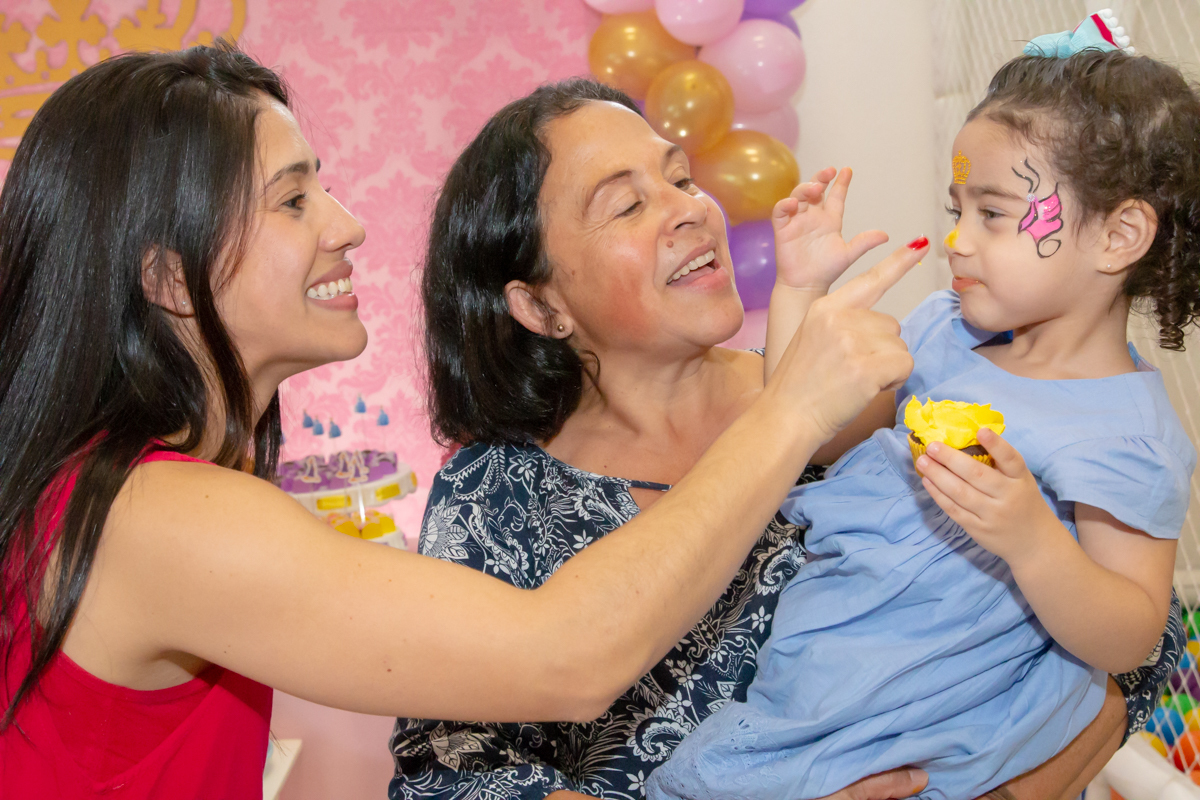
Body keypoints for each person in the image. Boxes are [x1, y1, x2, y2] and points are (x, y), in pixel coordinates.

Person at [0, 43, 932, 800]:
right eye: (293, 200)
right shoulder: (154, 517)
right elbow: (566, 659)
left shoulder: (132, 497)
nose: (348, 225)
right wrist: (791, 409)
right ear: (169, 278)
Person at [389, 77, 1182, 800]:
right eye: (627, 206)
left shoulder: (843, 387)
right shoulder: (498, 498)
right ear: (541, 306)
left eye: (680, 178)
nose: (690, 209)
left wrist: (1008, 792)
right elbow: (453, 776)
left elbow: (1139, 632)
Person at [649, 23, 1199, 800]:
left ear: (1120, 235)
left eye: (994, 214)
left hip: (942, 727)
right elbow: (818, 425)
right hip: (819, 675)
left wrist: (1034, 542)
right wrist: (801, 288)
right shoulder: (946, 330)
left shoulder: (1126, 436)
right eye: (957, 209)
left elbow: (1131, 635)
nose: (956, 241)